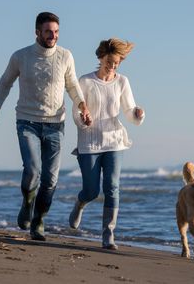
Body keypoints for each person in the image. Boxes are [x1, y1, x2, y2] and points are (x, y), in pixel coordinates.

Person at [0, 12, 91, 241]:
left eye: (56, 32)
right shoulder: (21, 56)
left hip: (56, 124)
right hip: (27, 121)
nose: (53, 36)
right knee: (33, 170)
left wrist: (82, 105)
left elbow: (72, 84)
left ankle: (39, 220)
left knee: (51, 179)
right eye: (48, 32)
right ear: (37, 32)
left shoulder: (65, 56)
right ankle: (27, 201)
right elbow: (5, 82)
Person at [68, 37, 145, 250]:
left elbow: (129, 111)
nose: (112, 66)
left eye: (117, 63)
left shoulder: (122, 81)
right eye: (109, 61)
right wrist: (83, 119)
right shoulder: (85, 81)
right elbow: (76, 110)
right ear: (101, 57)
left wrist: (137, 113)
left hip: (114, 142)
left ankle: (108, 235)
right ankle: (80, 203)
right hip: (90, 143)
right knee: (91, 191)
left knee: (112, 187)